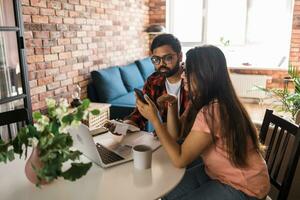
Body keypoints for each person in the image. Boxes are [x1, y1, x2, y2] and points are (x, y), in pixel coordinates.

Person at [136, 45, 270, 200]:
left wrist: (155, 119)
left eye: (187, 71)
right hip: (218, 173)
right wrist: (172, 105)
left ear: (204, 74)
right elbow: (176, 134)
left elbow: (180, 159)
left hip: (245, 187)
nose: (182, 76)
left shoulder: (214, 111)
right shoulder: (202, 102)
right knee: (167, 191)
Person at [123, 33, 190, 131]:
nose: (162, 64)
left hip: (191, 140)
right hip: (164, 138)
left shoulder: (192, 80)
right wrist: (127, 124)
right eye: (156, 59)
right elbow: (141, 114)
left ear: (180, 56)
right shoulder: (153, 81)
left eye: (168, 58)